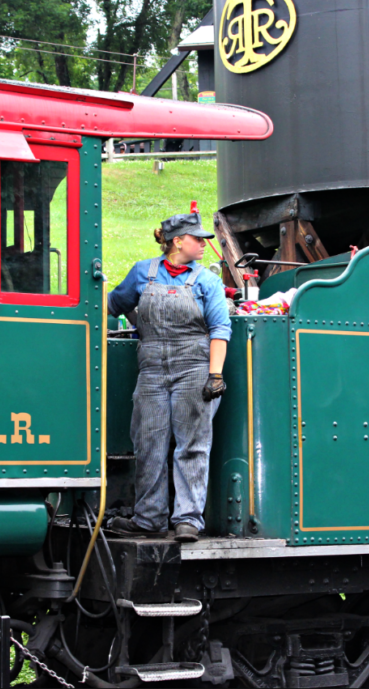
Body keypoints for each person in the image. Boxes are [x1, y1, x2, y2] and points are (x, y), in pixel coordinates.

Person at [107, 212, 231, 543]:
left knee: (192, 445)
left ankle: (188, 519)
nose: (205, 244)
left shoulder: (207, 281)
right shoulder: (141, 273)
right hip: (151, 370)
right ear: (178, 242)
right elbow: (113, 305)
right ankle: (149, 518)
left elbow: (220, 328)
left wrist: (214, 375)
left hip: (193, 369)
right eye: (198, 239)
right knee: (148, 444)